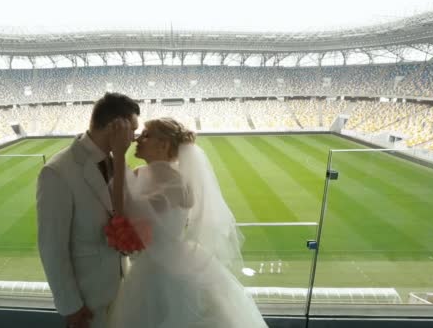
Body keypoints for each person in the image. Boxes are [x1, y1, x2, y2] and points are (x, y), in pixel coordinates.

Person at [107, 117, 269, 328]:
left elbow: (129, 209)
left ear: (163, 145)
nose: (138, 139)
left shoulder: (177, 185)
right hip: (150, 264)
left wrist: (118, 158)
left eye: (146, 136)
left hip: (166, 270)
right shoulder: (139, 173)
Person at [36, 92, 139, 328]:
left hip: (121, 292)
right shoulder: (57, 172)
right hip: (88, 302)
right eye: (131, 130)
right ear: (115, 127)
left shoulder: (116, 162)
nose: (133, 138)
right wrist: (70, 305)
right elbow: (52, 247)